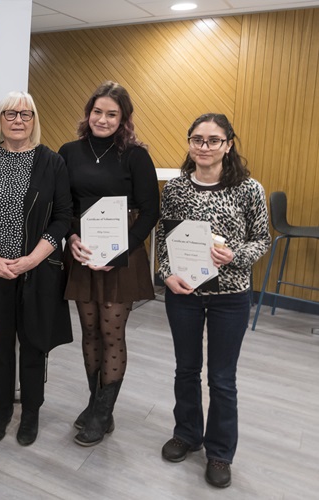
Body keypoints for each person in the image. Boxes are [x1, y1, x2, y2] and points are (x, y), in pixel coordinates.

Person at [156, 113, 269, 488]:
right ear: (190, 143)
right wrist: (165, 273)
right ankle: (187, 434)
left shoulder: (249, 189)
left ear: (228, 144)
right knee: (186, 369)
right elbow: (164, 238)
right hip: (184, 294)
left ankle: (220, 452)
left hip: (230, 297)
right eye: (197, 139)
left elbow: (262, 240)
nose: (204, 147)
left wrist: (235, 255)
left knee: (222, 378)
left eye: (213, 140)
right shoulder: (176, 188)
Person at [58, 81, 160, 447]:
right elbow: (62, 205)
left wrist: (119, 251)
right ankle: (96, 403)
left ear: (124, 118)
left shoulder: (136, 156)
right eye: (97, 112)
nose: (102, 119)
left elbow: (150, 210)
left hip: (122, 258)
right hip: (83, 253)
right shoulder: (69, 152)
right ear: (88, 114)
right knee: (89, 333)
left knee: (111, 332)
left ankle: (102, 412)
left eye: (111, 114)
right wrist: (71, 238)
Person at [0, 92, 73, 446]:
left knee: (33, 346)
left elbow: (63, 217)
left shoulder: (52, 162)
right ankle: (1, 410)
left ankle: (30, 412)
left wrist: (32, 258)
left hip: (36, 271)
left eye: (25, 114)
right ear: (0, 119)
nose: (18, 120)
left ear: (34, 120)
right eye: (10, 114)